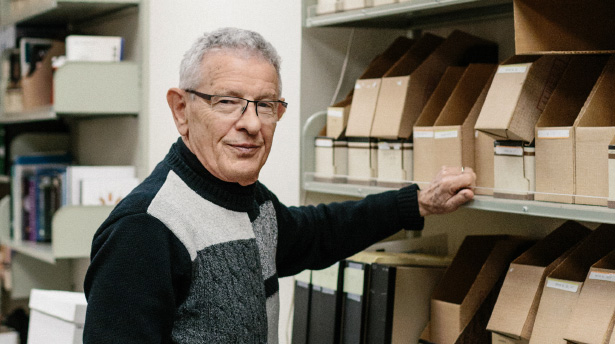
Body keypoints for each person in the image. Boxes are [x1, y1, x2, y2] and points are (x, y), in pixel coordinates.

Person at [83, 27, 476, 343]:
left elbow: (319, 231)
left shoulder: (252, 203)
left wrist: (419, 202)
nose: (251, 124)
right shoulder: (145, 228)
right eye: (227, 101)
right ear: (181, 109)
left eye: (266, 105)